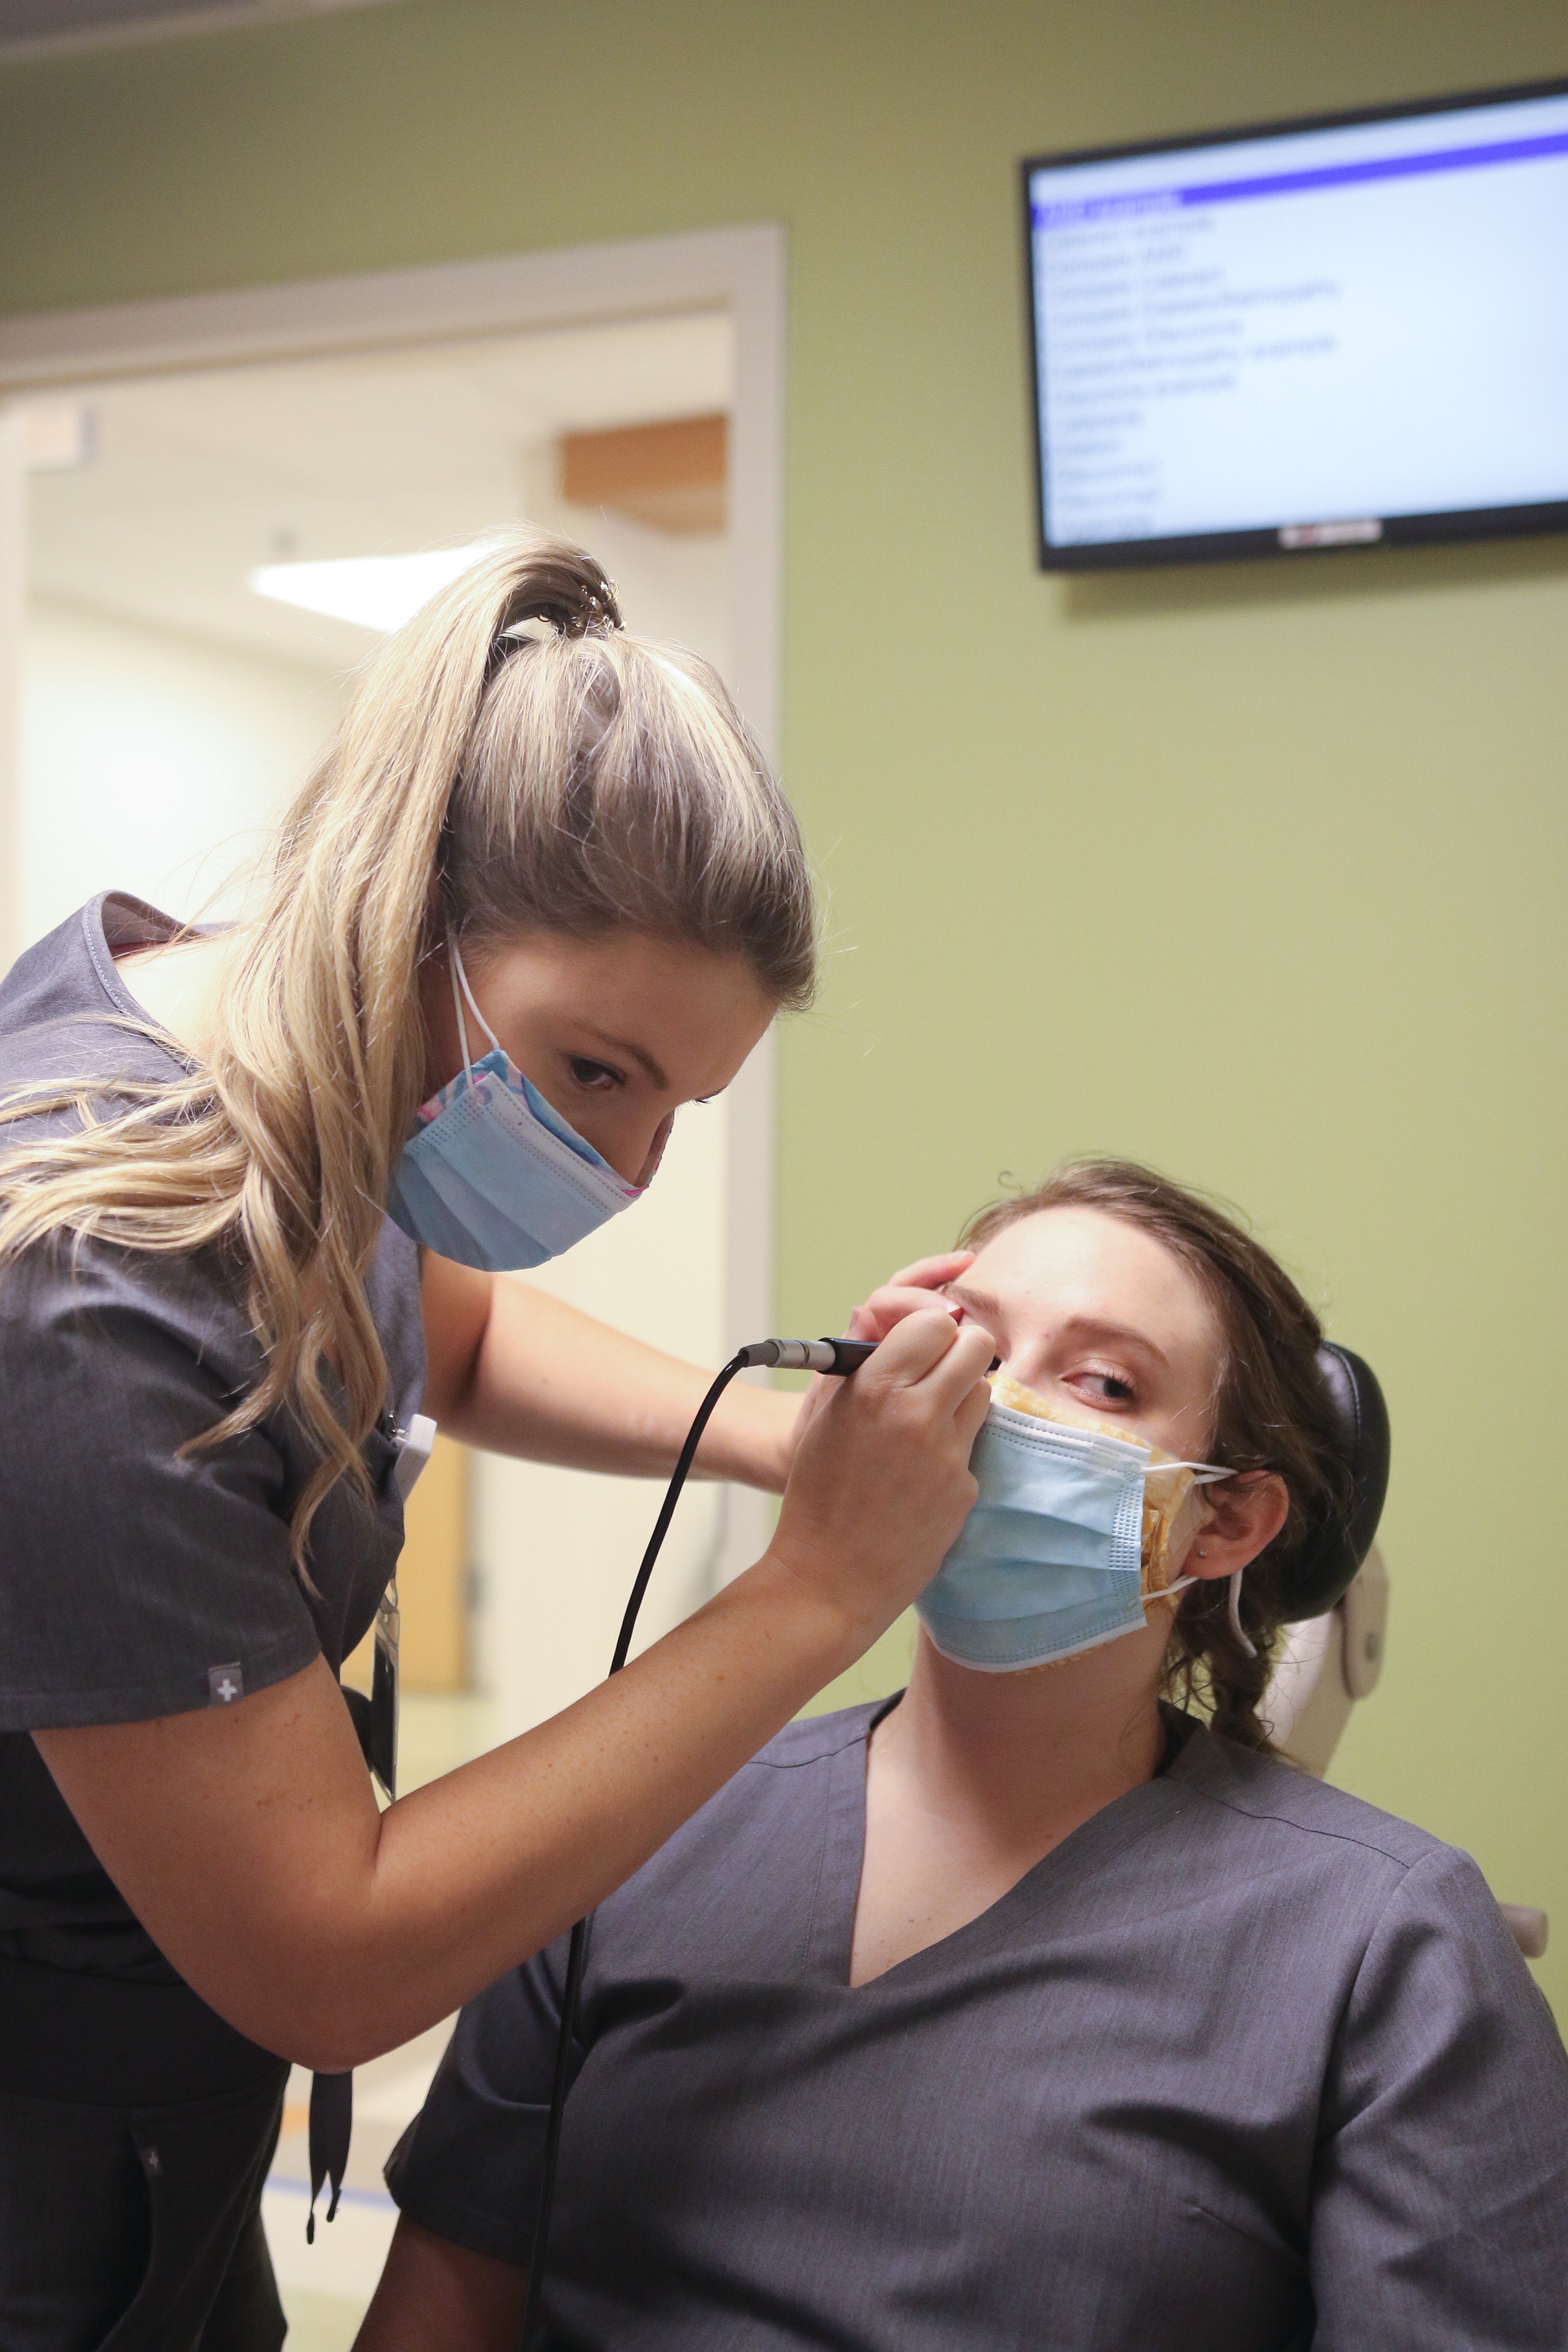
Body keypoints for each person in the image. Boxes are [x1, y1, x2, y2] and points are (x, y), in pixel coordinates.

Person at [0, 531, 995, 2351]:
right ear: (406, 914)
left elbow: (438, 1324)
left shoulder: (295, 1062)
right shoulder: (86, 1290)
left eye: (682, 1106)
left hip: (164, 2151)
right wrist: (813, 1594)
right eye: (596, 1073)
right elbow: (328, 1959)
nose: (623, 1172)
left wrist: (776, 1445)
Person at [358, 1160, 1568, 2352]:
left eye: (1100, 1380)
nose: (994, 1406)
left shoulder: (1386, 1948)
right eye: (970, 1347)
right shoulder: (630, 1833)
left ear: (1227, 1520)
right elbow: (442, 2308)